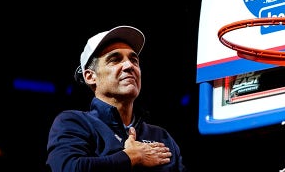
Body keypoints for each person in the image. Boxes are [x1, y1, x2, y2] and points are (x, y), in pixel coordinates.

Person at [46, 25, 188, 172]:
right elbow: (67, 168)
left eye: (134, 60)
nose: (129, 66)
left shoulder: (161, 136)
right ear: (90, 76)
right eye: (115, 60)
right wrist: (131, 157)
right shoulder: (74, 123)